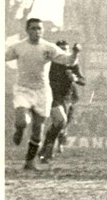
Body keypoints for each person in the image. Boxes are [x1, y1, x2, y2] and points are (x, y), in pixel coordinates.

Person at [5, 18, 81, 170]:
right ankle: (19, 130)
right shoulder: (18, 47)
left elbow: (68, 61)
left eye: (39, 28)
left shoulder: (48, 47)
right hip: (23, 89)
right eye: (33, 28)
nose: (37, 31)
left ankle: (29, 162)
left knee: (38, 128)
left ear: (43, 31)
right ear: (27, 30)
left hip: (42, 91)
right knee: (22, 122)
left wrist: (76, 52)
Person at [39, 40, 86, 163]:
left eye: (65, 49)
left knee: (60, 124)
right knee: (60, 120)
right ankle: (48, 150)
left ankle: (45, 149)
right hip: (52, 95)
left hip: (66, 97)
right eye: (60, 50)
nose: (63, 52)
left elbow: (83, 81)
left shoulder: (72, 64)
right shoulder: (50, 63)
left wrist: (75, 78)